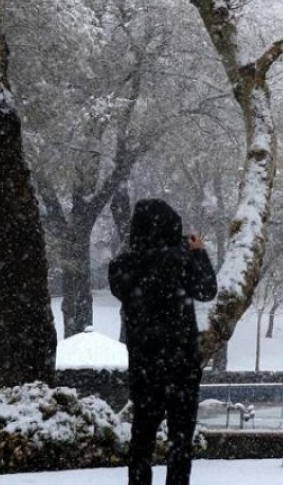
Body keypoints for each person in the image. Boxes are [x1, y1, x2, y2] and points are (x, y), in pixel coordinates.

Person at [110, 199, 217, 485]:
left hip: (144, 367)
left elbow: (123, 284)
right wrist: (197, 252)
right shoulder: (182, 262)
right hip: (181, 365)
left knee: (141, 438)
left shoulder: (123, 267)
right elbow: (207, 289)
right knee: (180, 440)